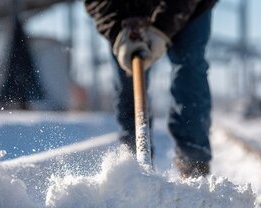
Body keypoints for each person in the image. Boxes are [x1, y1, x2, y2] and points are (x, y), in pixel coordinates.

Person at [84, 0, 217, 178]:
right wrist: (116, 32)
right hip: (123, 12)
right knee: (128, 81)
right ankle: (134, 167)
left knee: (189, 69)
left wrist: (161, 30)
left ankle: (193, 162)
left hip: (188, 8)